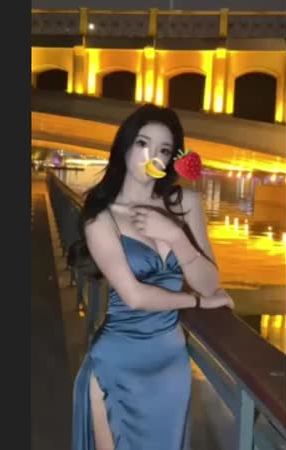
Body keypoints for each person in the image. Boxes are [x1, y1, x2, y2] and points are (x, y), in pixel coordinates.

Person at [70, 104, 234, 450]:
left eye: (163, 149)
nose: (151, 156)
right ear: (125, 147)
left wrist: (174, 235)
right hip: (117, 363)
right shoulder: (101, 218)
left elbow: (209, 283)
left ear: (172, 159)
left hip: (171, 365)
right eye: (143, 143)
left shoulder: (185, 203)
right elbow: (135, 296)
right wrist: (197, 302)